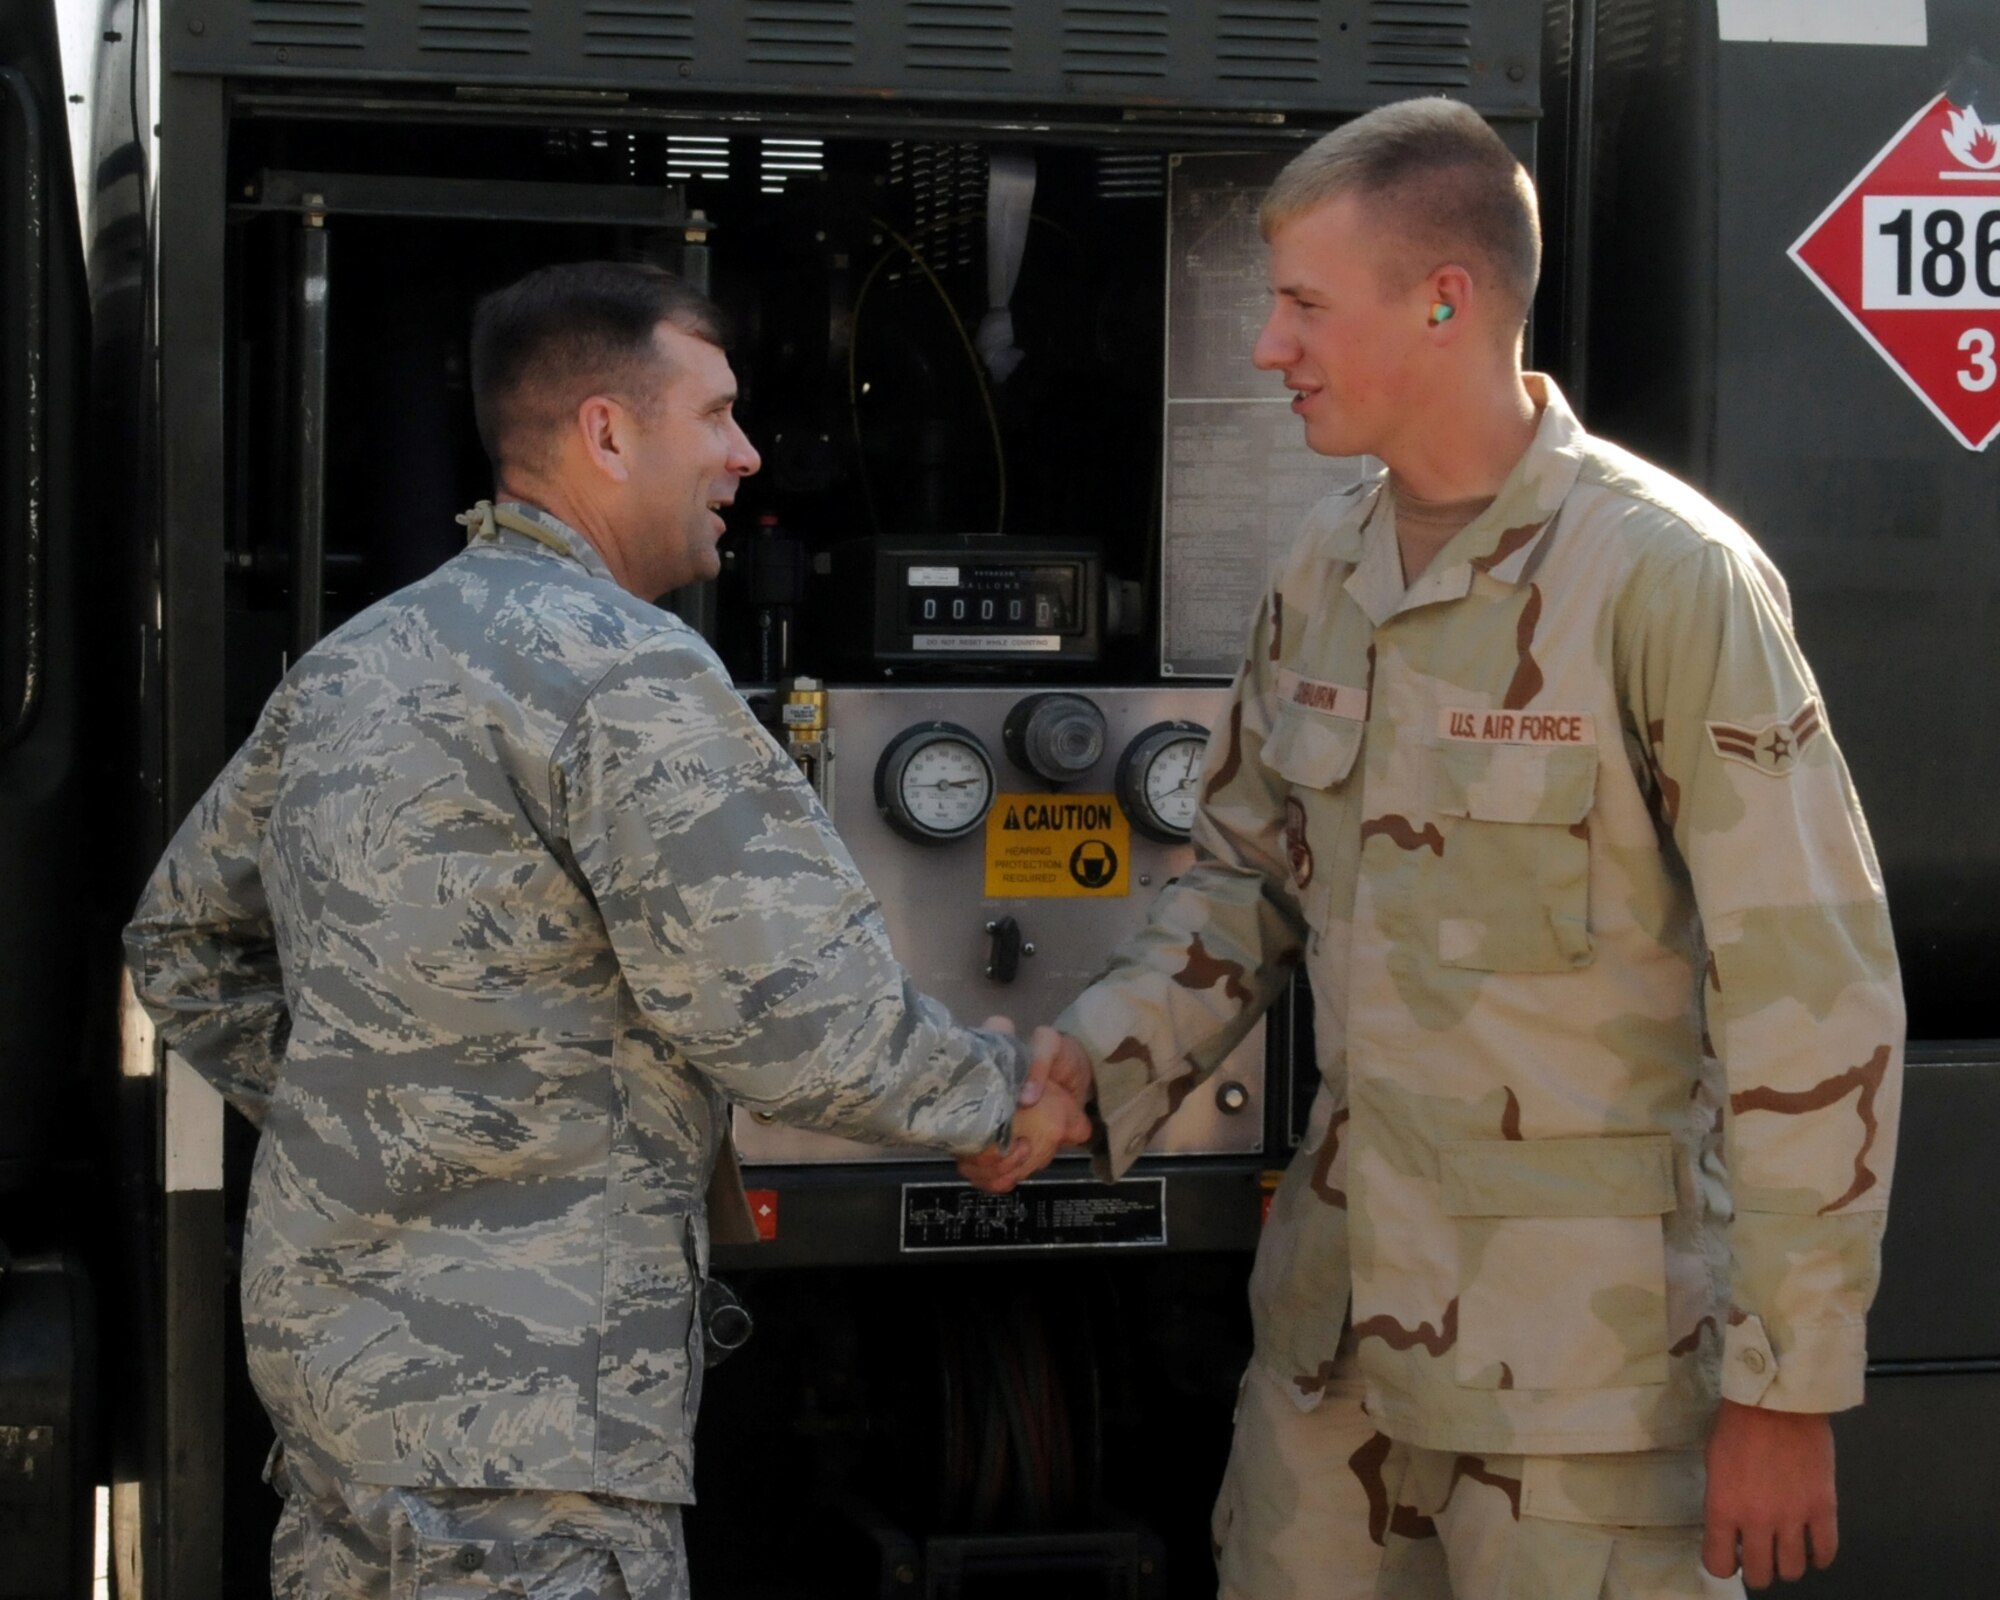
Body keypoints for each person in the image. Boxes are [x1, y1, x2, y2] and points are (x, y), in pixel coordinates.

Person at [964, 99, 1903, 1600]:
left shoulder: (1667, 581)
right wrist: (1096, 1058)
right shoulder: (1320, 569)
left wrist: (1787, 1387)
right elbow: (1246, 880)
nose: (1269, 346)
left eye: (1304, 306)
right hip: (1338, 1358)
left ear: (1445, 300)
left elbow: (1817, 989)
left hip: (1587, 1402)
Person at [124, 260, 1087, 1600]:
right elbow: (801, 1025)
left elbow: (178, 941)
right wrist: (1000, 1097)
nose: (747, 455)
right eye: (718, 415)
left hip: (343, 1407)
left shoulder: (354, 664)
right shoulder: (629, 675)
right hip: (539, 1431)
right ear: (606, 431)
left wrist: (363, 1118)